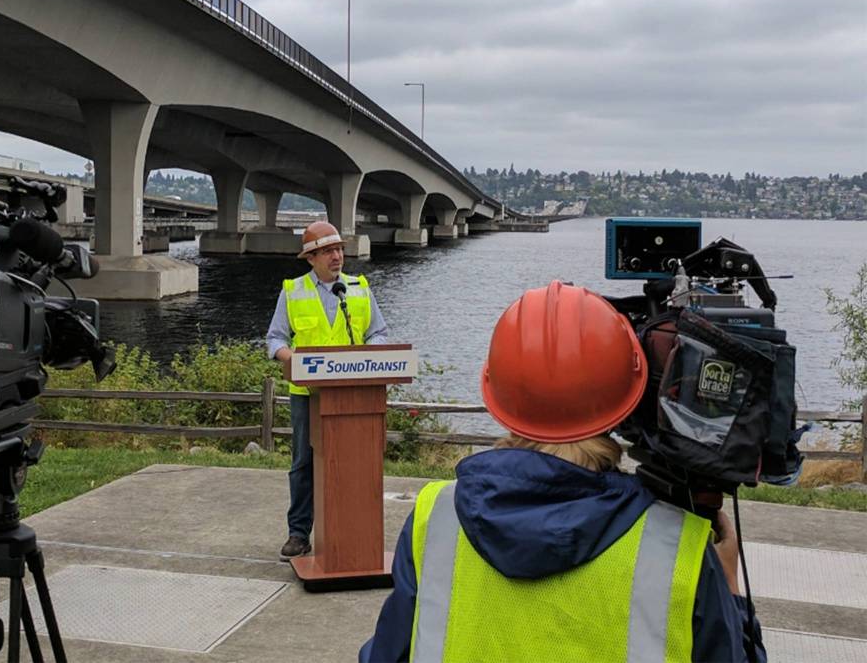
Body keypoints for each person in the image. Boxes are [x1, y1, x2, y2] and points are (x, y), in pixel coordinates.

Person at [360, 281, 765, 663]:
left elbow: (388, 652)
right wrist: (729, 591)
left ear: (498, 391)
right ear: (632, 394)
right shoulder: (675, 548)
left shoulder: (435, 519)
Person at [266, 220, 388, 561]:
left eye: (339, 250)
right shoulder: (293, 291)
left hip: (354, 394)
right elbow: (275, 338)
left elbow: (378, 332)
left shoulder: (359, 289)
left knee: (352, 461)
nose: (337, 257)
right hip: (308, 394)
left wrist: (371, 353)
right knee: (304, 461)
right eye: (329, 251)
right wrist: (290, 358)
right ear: (311, 258)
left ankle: (351, 533)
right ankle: (298, 533)